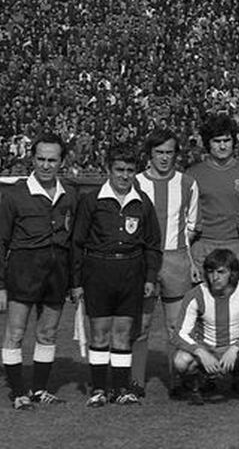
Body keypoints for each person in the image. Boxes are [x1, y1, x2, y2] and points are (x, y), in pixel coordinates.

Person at [70, 144, 163, 407]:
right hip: (98, 271)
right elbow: (77, 243)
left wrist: (150, 277)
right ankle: (99, 389)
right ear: (108, 169)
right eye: (119, 170)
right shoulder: (91, 201)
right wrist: (76, 283)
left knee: (123, 333)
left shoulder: (143, 202)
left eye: (130, 170)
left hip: (131, 273)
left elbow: (152, 244)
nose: (124, 176)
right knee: (99, 333)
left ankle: (121, 389)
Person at [0, 132, 78, 409]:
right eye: (41, 159)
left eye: (52, 160)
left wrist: (75, 282)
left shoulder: (70, 195)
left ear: (62, 161)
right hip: (23, 272)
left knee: (48, 333)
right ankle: (18, 392)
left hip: (57, 273)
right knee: (15, 333)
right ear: (33, 159)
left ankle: (40, 390)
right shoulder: (15, 194)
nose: (46, 165)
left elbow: (75, 242)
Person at [131, 129, 199, 397]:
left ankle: (177, 381)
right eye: (159, 152)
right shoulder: (135, 183)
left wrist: (186, 256)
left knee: (176, 326)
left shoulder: (188, 184)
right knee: (141, 325)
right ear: (149, 155)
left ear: (176, 154)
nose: (164, 157)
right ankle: (135, 382)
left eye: (169, 152)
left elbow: (192, 225)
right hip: (143, 260)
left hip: (176, 259)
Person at [171, 248, 239, 407]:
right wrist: (200, 351)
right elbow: (180, 333)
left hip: (236, 350)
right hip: (208, 349)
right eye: (210, 272)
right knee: (181, 360)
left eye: (221, 272)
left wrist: (235, 348)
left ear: (232, 273)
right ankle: (198, 386)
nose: (215, 277)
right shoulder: (196, 294)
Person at [185, 114, 239, 283]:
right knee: (203, 306)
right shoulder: (193, 174)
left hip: (238, 247)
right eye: (216, 141)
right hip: (203, 247)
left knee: (236, 306)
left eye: (226, 140)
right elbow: (185, 221)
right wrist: (190, 260)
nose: (222, 146)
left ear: (233, 141)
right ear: (208, 143)